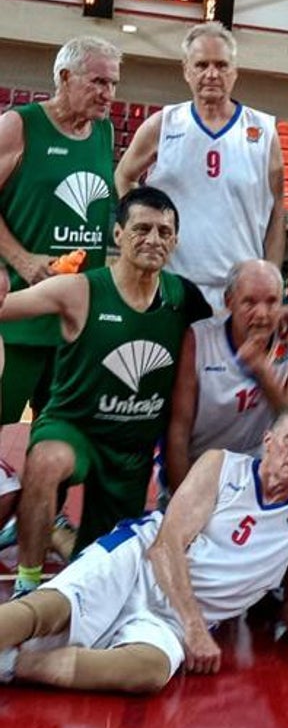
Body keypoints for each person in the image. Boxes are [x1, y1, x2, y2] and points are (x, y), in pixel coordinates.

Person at [0, 406, 288, 693]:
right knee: (50, 610)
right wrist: (194, 628)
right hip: (138, 564)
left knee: (149, 672)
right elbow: (166, 547)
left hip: (173, 618)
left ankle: (12, 665)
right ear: (269, 441)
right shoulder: (222, 466)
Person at [0, 186, 211, 597]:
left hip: (130, 450)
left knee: (101, 570)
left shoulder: (183, 296)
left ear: (176, 241)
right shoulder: (79, 290)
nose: (154, 239)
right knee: (46, 460)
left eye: (164, 232)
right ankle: (28, 581)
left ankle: (62, 538)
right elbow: (6, 307)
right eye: (142, 228)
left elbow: (228, 332)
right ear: (117, 235)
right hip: (73, 429)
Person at [116, 22, 284, 310]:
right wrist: (143, 233)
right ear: (186, 70)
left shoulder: (263, 130)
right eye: (202, 64)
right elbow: (124, 176)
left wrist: (271, 278)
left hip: (240, 290)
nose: (211, 74)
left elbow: (277, 213)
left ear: (235, 71)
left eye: (221, 65)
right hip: (172, 283)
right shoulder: (163, 124)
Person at [0, 36, 121, 428]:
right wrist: (20, 258)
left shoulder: (104, 134)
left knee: (57, 435)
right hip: (18, 313)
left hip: (75, 322)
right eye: (99, 82)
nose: (109, 94)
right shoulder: (20, 126)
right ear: (65, 77)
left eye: (114, 84)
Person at [165, 259, 288, 493]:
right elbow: (178, 432)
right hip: (202, 466)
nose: (262, 314)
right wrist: (181, 499)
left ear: (283, 300)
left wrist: (262, 371)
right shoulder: (199, 339)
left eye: (271, 301)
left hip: (257, 469)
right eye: (250, 302)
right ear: (229, 302)